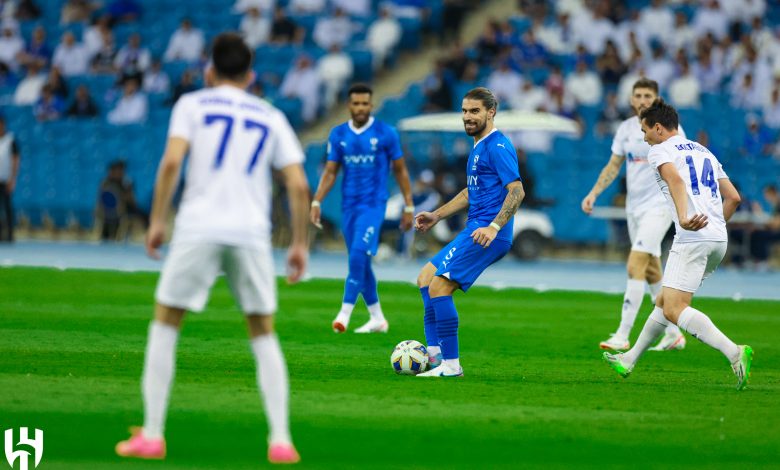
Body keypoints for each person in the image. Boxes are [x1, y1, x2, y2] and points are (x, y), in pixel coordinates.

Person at [115, 33, 310, 464]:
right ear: (251, 75)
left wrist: (157, 220)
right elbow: (298, 184)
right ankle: (281, 440)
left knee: (166, 323)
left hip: (198, 227)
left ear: (209, 71)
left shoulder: (193, 105)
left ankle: (152, 434)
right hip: (250, 233)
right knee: (263, 332)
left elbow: (171, 163)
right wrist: (298, 243)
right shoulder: (270, 114)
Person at [604, 99, 752, 390]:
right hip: (717, 239)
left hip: (692, 237)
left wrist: (684, 218)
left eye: (645, 131)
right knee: (663, 301)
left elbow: (675, 181)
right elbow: (734, 197)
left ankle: (734, 352)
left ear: (658, 128)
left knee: (674, 308)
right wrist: (716, 226)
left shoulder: (660, 150)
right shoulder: (703, 150)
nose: (644, 138)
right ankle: (629, 359)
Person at [414, 87, 524, 377]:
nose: (467, 117)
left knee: (440, 286)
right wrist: (436, 215)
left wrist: (494, 226)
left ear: (491, 112)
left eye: (474, 111)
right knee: (426, 278)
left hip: (488, 233)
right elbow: (470, 192)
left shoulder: (498, 146)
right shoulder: (478, 146)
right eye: (464, 111)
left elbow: (517, 191)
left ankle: (451, 365)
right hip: (473, 228)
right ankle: (436, 356)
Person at [582, 78, 687, 352]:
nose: (642, 100)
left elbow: (683, 168)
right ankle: (673, 332)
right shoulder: (626, 129)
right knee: (651, 268)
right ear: (630, 99)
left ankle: (623, 334)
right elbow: (614, 165)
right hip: (634, 207)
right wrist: (593, 193)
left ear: (656, 99)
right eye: (637, 95)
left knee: (635, 264)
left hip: (660, 206)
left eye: (647, 95)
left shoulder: (670, 130)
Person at [310, 83, 413, 334]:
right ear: (349, 105)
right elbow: (331, 172)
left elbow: (399, 169)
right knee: (362, 263)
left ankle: (344, 314)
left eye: (365, 103)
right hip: (349, 208)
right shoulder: (338, 135)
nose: (360, 108)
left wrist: (409, 204)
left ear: (371, 104)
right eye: (356, 104)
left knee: (357, 255)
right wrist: (316, 201)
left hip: (373, 206)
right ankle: (377, 318)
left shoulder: (385, 133)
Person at [0, 115, 19, 242]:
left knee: (7, 207)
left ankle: (10, 233)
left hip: (5, 179)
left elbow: (15, 160)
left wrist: (12, 178)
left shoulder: (10, 140)